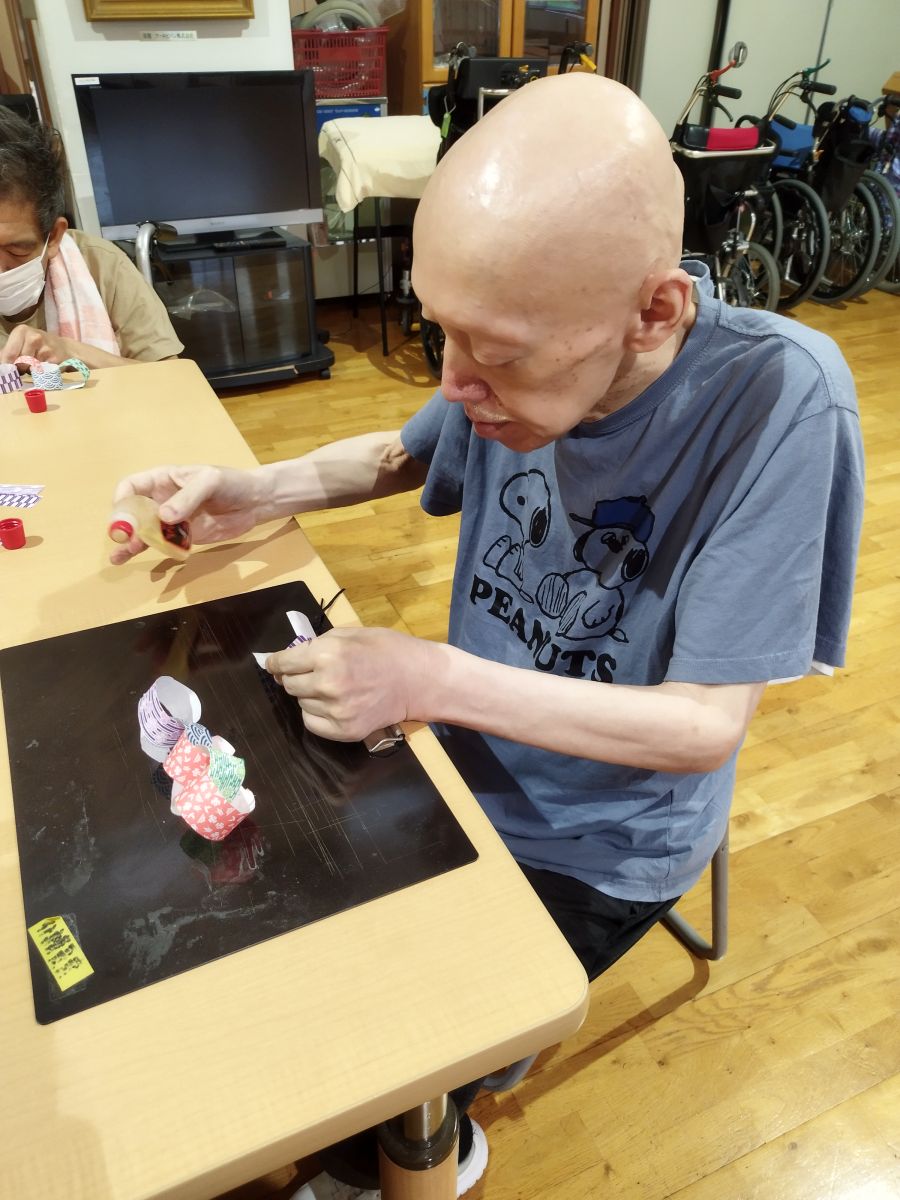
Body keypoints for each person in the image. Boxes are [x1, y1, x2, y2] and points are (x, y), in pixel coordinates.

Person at [110, 72, 865, 1199]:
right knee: (253, 958)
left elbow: (704, 728)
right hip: (458, 758)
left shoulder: (778, 402)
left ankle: (442, 1137)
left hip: (598, 837)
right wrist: (254, 490)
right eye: (439, 331)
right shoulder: (505, 361)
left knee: (374, 1085)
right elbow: (407, 452)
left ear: (654, 312)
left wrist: (433, 678)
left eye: (497, 353)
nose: (455, 381)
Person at [0, 106, 182, 368]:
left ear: (54, 237)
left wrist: (71, 350)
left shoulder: (99, 264)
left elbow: (172, 380)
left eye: (17, 249)